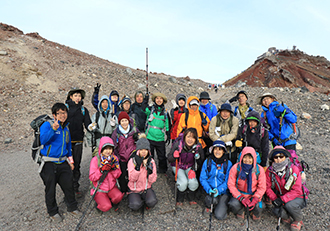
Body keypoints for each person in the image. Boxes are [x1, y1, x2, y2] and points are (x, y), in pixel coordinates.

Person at [39, 103, 81, 222]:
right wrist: (53, 129)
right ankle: (52, 211)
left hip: (63, 162)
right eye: (60, 113)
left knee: (69, 185)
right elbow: (43, 140)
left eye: (64, 112)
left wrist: (71, 161)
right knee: (50, 188)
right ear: (54, 115)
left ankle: (72, 207)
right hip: (49, 163)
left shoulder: (66, 129)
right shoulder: (47, 125)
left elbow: (68, 147)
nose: (63, 115)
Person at [266, 146, 306, 231]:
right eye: (276, 157)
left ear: (285, 157)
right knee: (276, 210)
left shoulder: (293, 169)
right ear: (273, 159)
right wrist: (274, 199)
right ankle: (287, 216)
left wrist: (282, 199)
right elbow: (267, 187)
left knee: (289, 205)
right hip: (281, 196)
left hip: (297, 196)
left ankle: (298, 220)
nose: (279, 159)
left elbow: (297, 190)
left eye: (281, 156)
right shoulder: (270, 171)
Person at [227, 147, 266, 222]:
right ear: (241, 157)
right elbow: (231, 184)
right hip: (240, 194)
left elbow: (262, 187)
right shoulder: (236, 168)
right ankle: (241, 211)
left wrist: (255, 198)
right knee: (233, 204)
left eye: (250, 157)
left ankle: (254, 212)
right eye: (245, 157)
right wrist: (241, 198)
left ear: (254, 158)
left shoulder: (259, 170)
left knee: (260, 206)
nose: (247, 160)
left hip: (253, 195)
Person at [65, 88, 92, 196]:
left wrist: (93, 127)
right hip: (65, 141)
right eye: (75, 95)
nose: (78, 98)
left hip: (78, 141)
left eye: (79, 96)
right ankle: (67, 189)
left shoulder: (83, 110)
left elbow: (88, 124)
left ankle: (75, 188)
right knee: (66, 165)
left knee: (76, 164)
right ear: (70, 96)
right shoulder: (65, 109)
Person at [168, 128, 204, 206]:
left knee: (193, 183)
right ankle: (179, 199)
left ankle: (191, 198)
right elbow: (169, 159)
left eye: (193, 137)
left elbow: (201, 161)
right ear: (184, 137)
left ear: (196, 139)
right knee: (183, 183)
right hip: (178, 166)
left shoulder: (198, 147)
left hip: (190, 166)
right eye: (188, 137)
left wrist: (194, 169)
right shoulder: (178, 144)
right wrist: (174, 156)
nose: (190, 139)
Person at [89, 136, 124, 212]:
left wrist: (113, 169)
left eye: (110, 149)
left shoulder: (114, 159)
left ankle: (110, 200)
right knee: (106, 207)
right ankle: (99, 204)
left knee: (119, 197)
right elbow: (92, 177)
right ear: (101, 149)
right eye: (106, 149)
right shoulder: (96, 160)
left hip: (111, 187)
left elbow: (118, 174)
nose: (108, 151)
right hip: (99, 189)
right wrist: (101, 170)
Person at [200, 140, 232, 220]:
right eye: (215, 149)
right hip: (211, 190)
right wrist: (209, 189)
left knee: (219, 216)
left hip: (223, 192)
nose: (217, 151)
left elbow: (228, 181)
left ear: (224, 151)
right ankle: (210, 205)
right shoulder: (207, 162)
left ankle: (222, 205)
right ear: (212, 150)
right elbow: (203, 178)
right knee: (211, 200)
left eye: (220, 149)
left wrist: (219, 190)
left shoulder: (228, 164)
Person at [111, 111, 139, 193]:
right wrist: (117, 158)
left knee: (132, 174)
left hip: (132, 157)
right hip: (121, 157)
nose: (124, 123)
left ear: (128, 121)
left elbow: (139, 141)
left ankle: (132, 189)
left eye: (126, 120)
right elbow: (114, 146)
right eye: (122, 121)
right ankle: (123, 190)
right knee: (122, 175)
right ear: (119, 122)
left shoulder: (134, 130)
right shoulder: (116, 132)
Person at [127, 136, 158, 210]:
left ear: (148, 150)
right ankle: (135, 198)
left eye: (146, 149)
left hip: (146, 188)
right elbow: (131, 178)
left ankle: (146, 199)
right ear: (138, 150)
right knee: (135, 206)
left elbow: (153, 180)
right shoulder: (132, 161)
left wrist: (149, 171)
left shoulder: (151, 161)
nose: (143, 152)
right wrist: (137, 167)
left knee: (152, 202)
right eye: (141, 149)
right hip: (134, 189)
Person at [143, 92, 170, 173]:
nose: (159, 100)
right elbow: (143, 108)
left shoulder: (165, 113)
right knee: (150, 155)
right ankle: (149, 169)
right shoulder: (150, 110)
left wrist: (168, 134)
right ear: (154, 99)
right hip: (149, 137)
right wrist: (146, 99)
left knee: (161, 156)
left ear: (163, 100)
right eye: (157, 98)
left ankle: (163, 170)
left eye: (160, 99)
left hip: (160, 138)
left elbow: (167, 125)